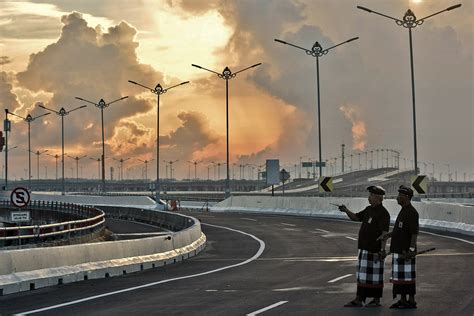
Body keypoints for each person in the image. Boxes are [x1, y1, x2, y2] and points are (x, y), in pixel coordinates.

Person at [339, 185, 390, 307]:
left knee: (375, 276)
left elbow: (384, 233)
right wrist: (346, 210)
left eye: (371, 196)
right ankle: (361, 298)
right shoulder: (368, 210)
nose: (369, 198)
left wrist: (382, 250)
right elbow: (356, 217)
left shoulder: (384, 213)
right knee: (362, 275)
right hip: (364, 248)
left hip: (374, 249)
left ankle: (371, 299)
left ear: (378, 198)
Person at [388, 185, 419, 309]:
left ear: (406, 197)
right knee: (400, 278)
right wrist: (388, 235)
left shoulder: (411, 212)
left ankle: (411, 300)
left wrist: (411, 250)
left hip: (406, 251)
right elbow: (399, 230)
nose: (397, 198)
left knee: (408, 278)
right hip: (398, 250)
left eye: (400, 196)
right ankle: (402, 300)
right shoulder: (403, 210)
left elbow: (414, 233)